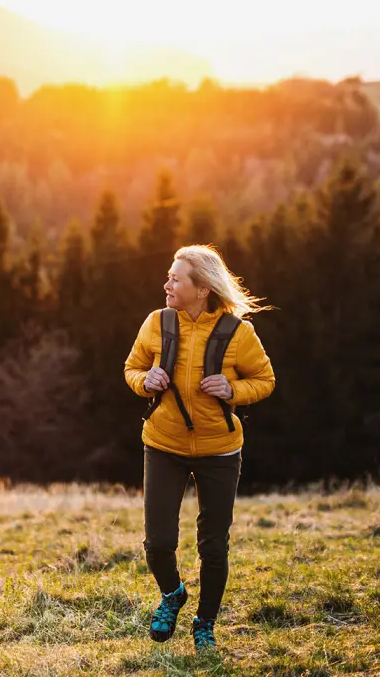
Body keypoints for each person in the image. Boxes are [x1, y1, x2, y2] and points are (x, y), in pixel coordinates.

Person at [124, 244, 275, 651]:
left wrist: (233, 389)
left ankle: (205, 623)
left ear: (202, 288)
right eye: (169, 276)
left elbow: (265, 380)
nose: (167, 284)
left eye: (176, 278)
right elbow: (131, 368)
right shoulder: (156, 323)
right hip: (163, 444)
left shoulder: (238, 333)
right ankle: (172, 594)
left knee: (213, 544)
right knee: (157, 543)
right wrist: (145, 381)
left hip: (220, 451)